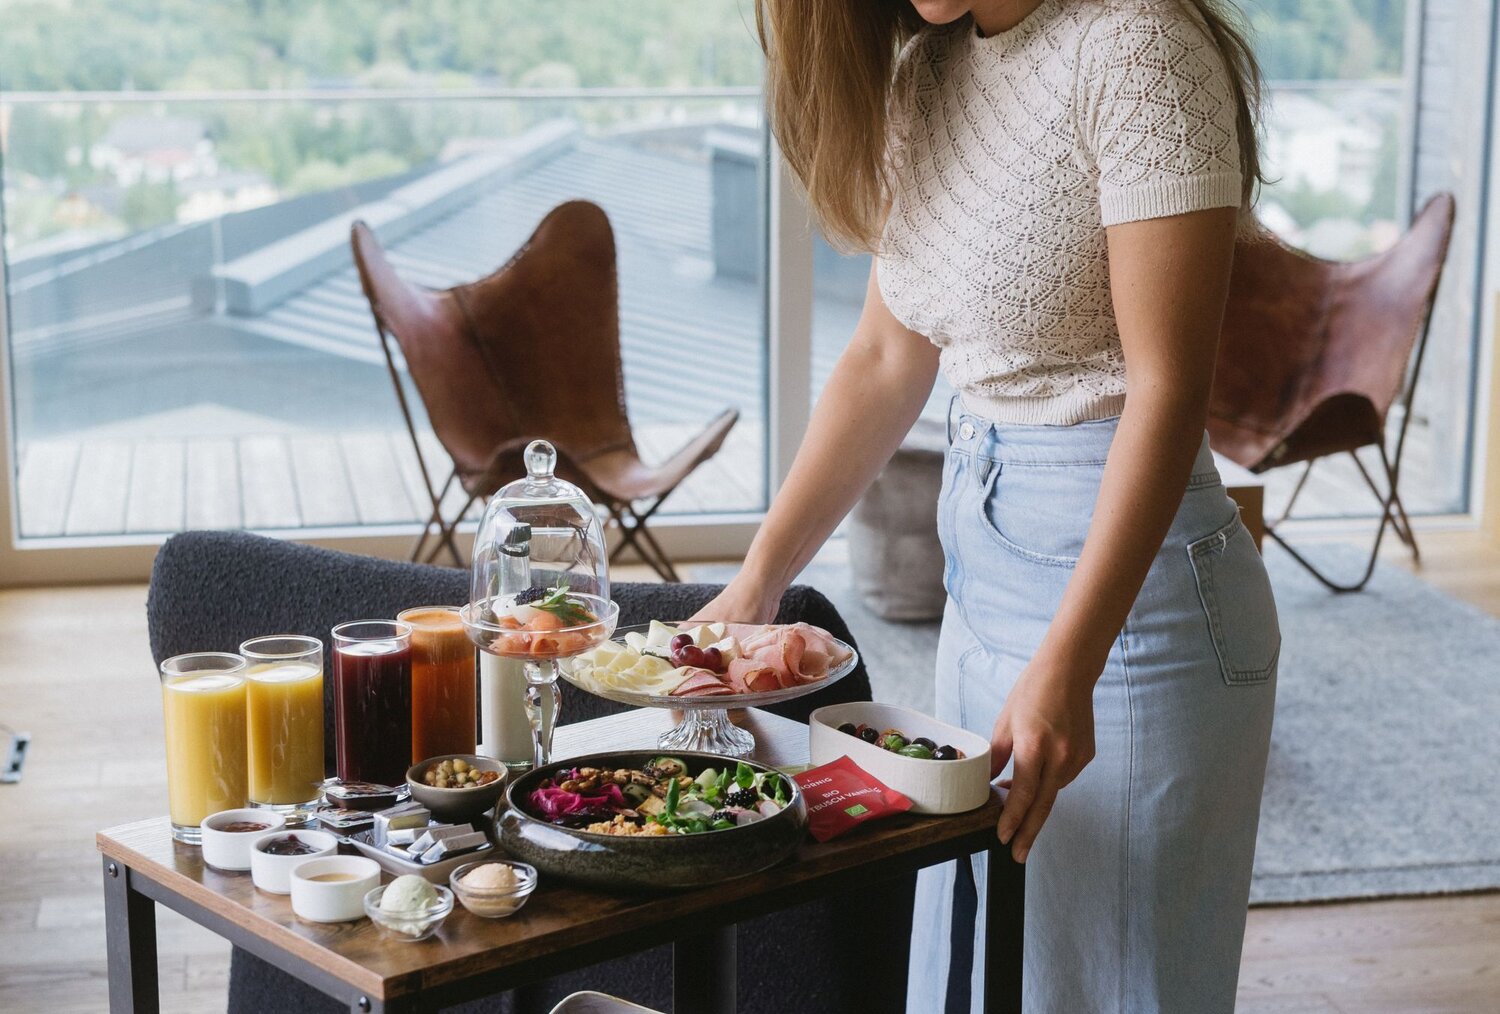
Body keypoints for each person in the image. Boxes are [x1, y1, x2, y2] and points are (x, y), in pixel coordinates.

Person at [692, 0, 1281, 1010]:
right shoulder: (930, 72)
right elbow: (886, 358)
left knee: (1100, 987)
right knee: (972, 968)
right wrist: (760, 578)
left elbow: (1167, 391)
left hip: (1137, 618)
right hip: (983, 586)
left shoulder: (1138, 46)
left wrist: (1071, 661)